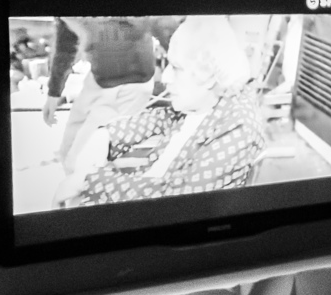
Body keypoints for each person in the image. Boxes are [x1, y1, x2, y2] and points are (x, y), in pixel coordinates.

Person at [52, 15, 266, 207]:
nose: (165, 78)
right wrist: (105, 135)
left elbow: (179, 202)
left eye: (177, 68)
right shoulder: (202, 102)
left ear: (209, 74)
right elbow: (157, 117)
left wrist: (89, 181)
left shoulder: (239, 128)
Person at [43, 16, 182, 174]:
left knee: (88, 156)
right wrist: (54, 92)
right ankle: (79, 185)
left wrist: (186, 74)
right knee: (69, 151)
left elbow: (163, 27)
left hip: (132, 85)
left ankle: (97, 187)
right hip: (99, 80)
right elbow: (65, 47)